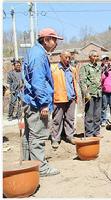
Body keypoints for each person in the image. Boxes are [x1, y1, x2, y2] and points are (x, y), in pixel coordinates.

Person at [22, 27, 63, 177]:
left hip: (31, 101)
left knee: (30, 135)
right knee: (38, 136)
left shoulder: (35, 52)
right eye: (54, 39)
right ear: (46, 40)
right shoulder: (39, 55)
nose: (56, 43)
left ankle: (28, 163)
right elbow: (38, 81)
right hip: (37, 103)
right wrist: (44, 103)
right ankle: (41, 168)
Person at [50, 50, 78, 149]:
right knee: (57, 120)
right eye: (65, 57)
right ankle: (55, 139)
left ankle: (69, 136)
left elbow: (74, 83)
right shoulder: (54, 69)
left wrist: (76, 96)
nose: (67, 59)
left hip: (71, 98)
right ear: (60, 57)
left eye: (69, 57)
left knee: (70, 119)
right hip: (59, 98)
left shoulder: (72, 69)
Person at [79, 50, 102, 137]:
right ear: (90, 57)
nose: (96, 58)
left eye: (97, 56)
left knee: (97, 114)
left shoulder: (99, 68)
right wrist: (85, 93)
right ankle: (89, 133)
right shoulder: (85, 67)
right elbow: (82, 81)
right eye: (94, 56)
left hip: (98, 93)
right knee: (89, 115)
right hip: (90, 94)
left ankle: (96, 132)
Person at [100, 55, 111, 129]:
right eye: (104, 59)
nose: (106, 61)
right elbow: (101, 80)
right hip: (104, 91)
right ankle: (103, 120)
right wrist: (104, 71)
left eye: (107, 59)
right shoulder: (100, 69)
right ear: (102, 61)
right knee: (104, 107)